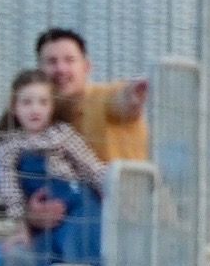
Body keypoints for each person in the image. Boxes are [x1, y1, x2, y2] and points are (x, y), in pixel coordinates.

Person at [0, 68, 109, 266]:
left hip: (78, 200)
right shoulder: (10, 148)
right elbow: (10, 191)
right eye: (27, 103)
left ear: (52, 107)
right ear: (14, 107)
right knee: (49, 258)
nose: (35, 109)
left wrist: (111, 190)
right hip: (45, 216)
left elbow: (91, 168)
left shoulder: (63, 134)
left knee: (85, 242)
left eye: (43, 102)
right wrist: (22, 227)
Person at [36, 28, 149, 165]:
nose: (61, 69)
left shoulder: (101, 98)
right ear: (39, 71)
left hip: (122, 186)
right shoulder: (38, 114)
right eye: (51, 62)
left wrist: (133, 94)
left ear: (86, 66)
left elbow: (122, 100)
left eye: (69, 60)